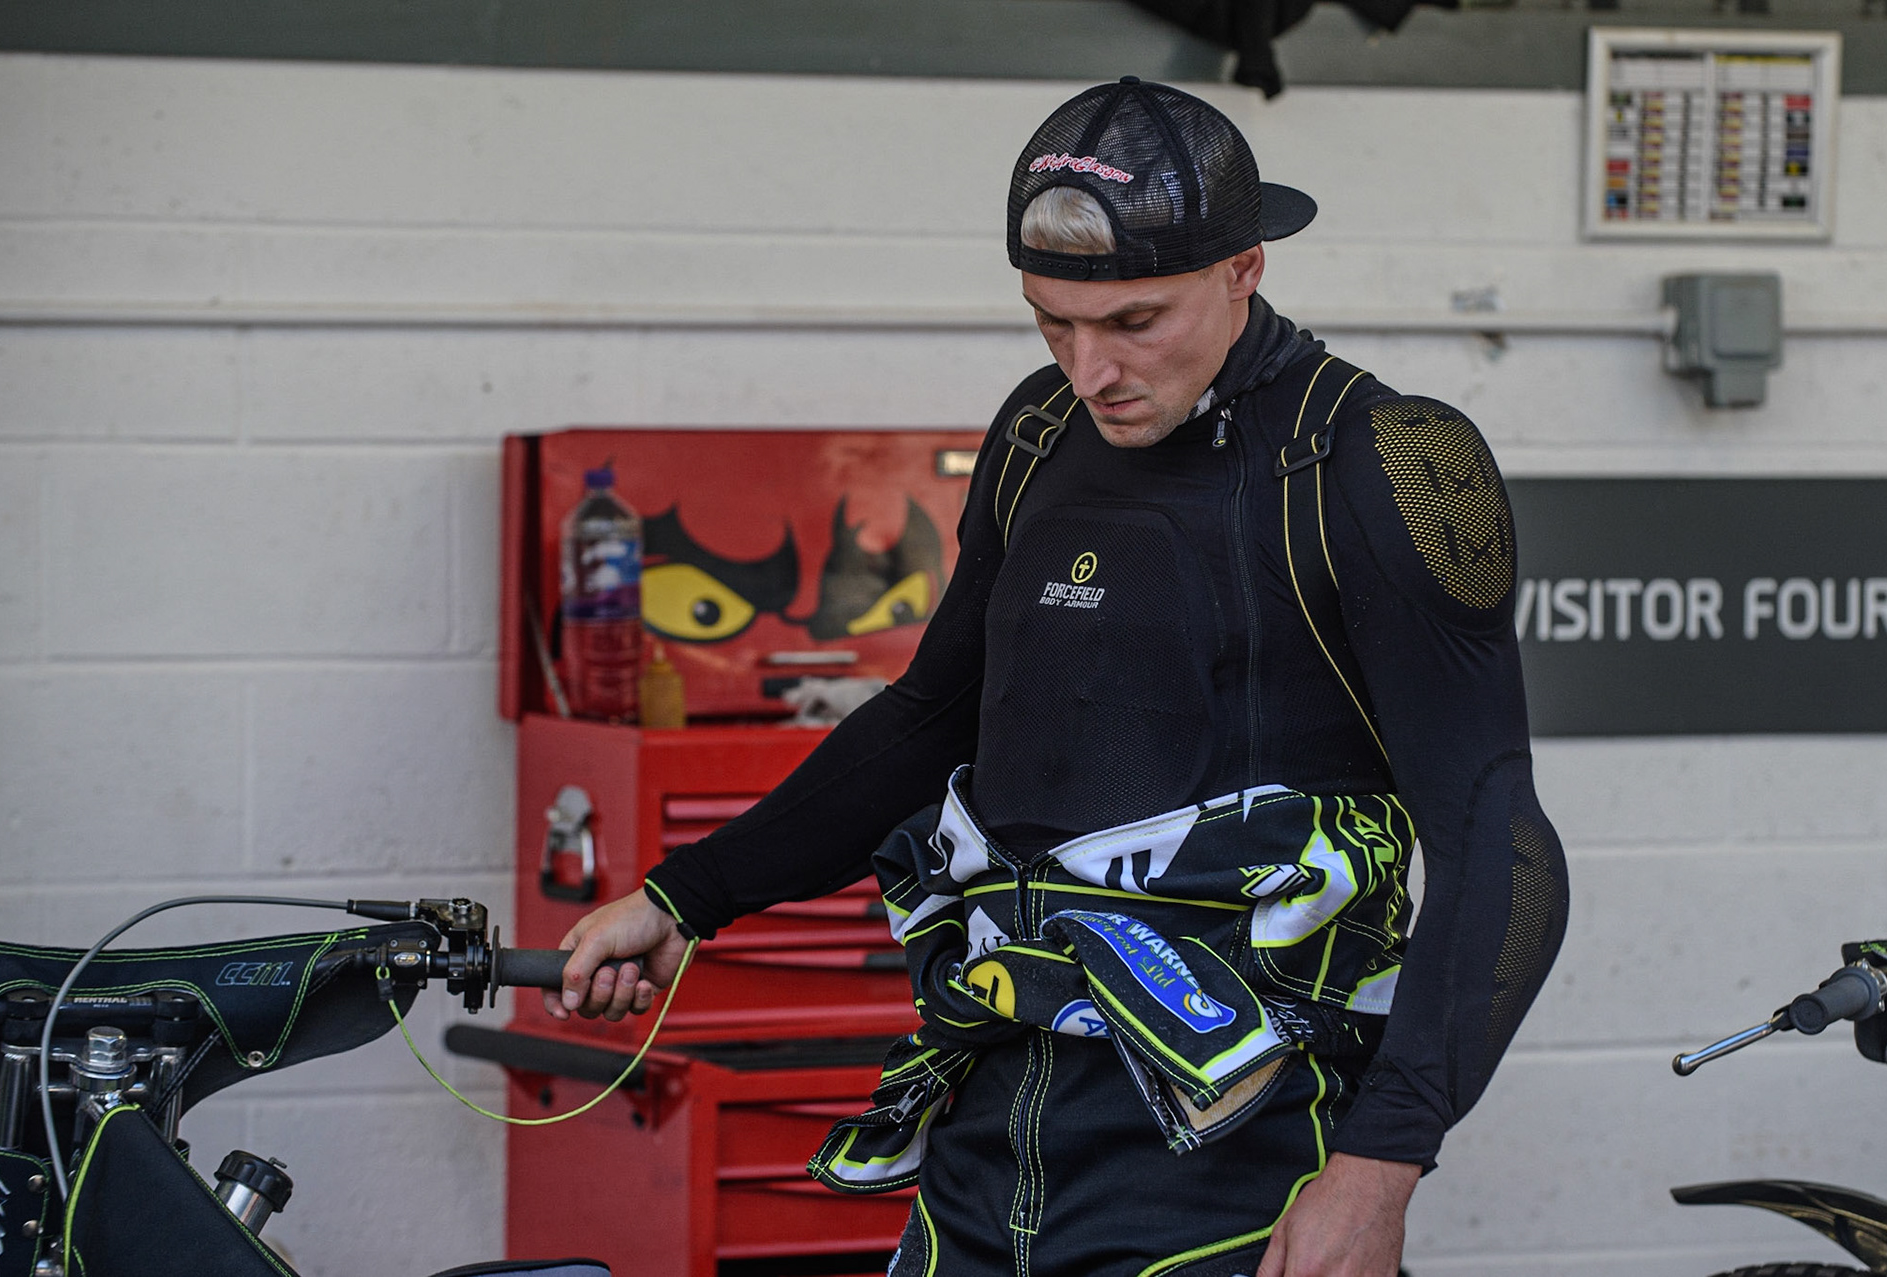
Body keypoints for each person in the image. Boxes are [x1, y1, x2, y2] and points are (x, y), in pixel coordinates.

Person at [544, 77, 1568, 1277]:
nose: (1093, 370)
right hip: (989, 1126)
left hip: (1238, 1153)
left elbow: (1502, 841)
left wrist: (1382, 1167)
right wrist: (685, 897)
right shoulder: (1038, 432)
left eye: (1137, 322)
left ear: (1246, 266)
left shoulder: (1383, 461)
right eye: (1052, 323)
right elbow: (929, 717)